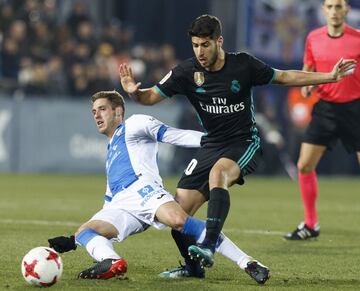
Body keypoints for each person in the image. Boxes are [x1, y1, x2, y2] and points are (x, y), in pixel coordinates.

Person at [119, 14, 356, 272]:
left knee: (218, 173)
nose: (200, 51)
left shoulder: (243, 65)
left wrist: (329, 77)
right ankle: (192, 267)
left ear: (219, 41)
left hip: (244, 142)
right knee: (178, 214)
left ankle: (209, 243)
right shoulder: (186, 72)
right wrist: (134, 92)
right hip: (212, 144)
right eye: (196, 45)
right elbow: (149, 97)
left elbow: (285, 77)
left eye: (205, 44)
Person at [48, 90, 270, 284]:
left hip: (143, 191)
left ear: (118, 112)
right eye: (94, 111)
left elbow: (174, 135)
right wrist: (73, 241)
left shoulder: (135, 124)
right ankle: (112, 261)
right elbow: (109, 198)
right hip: (120, 205)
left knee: (180, 222)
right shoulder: (111, 148)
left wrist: (212, 141)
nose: (96, 114)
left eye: (102, 109)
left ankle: (247, 262)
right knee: (84, 231)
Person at [284, 0, 360, 240]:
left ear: (347, 9)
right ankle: (310, 224)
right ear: (323, 10)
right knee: (304, 165)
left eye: (339, 6)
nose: (334, 11)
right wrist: (307, 87)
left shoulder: (358, 38)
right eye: (330, 6)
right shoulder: (313, 38)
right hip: (325, 108)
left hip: (355, 109)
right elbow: (309, 67)